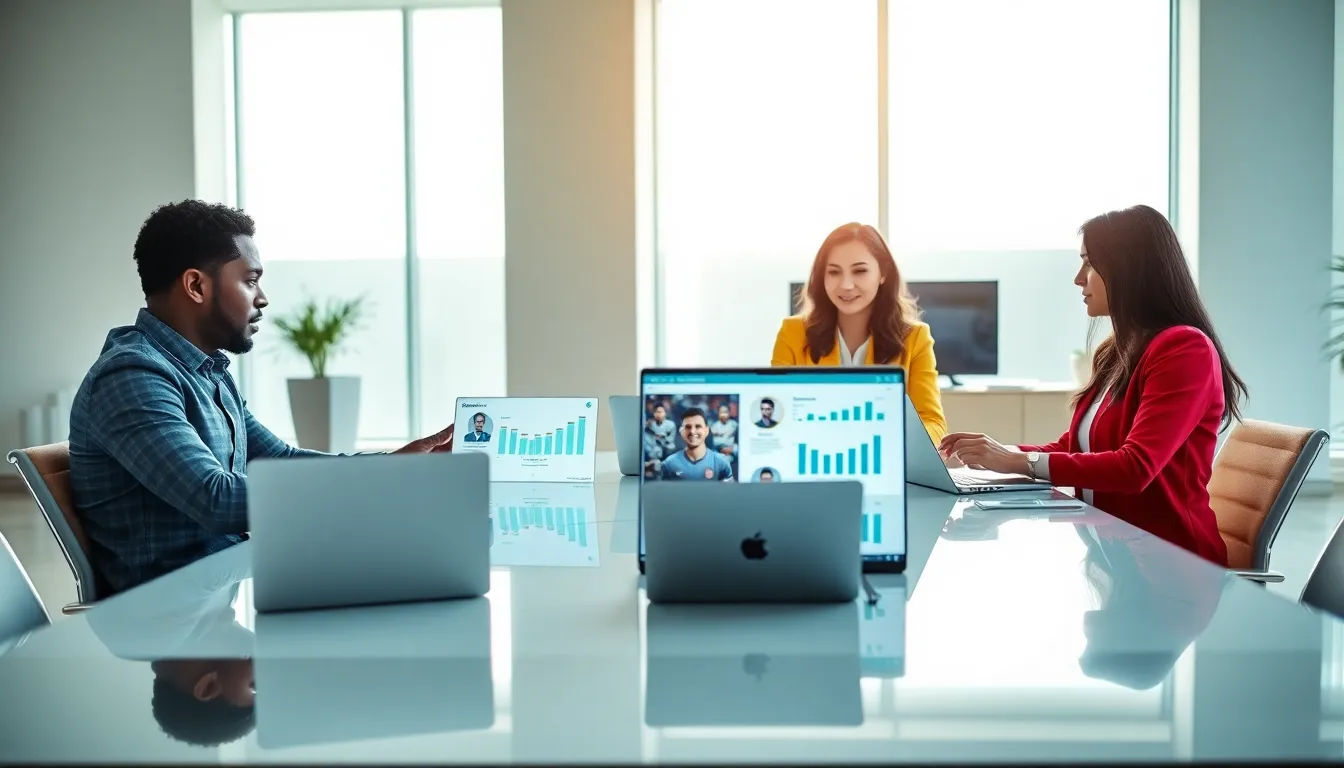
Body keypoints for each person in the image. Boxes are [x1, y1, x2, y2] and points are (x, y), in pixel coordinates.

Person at [68, 201, 458, 594]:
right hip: (175, 615)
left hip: (226, 588)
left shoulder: (206, 373)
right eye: (250, 280)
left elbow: (281, 460)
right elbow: (216, 500)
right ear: (196, 286)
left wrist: (392, 467)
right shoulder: (133, 376)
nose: (263, 298)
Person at [938, 205, 1246, 566]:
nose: (1078, 278)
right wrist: (992, 454)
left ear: (1128, 268)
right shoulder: (1116, 352)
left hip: (1171, 564)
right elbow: (1074, 447)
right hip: (1115, 553)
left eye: (1089, 263)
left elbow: (1135, 468)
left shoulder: (1184, 349)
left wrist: (1016, 460)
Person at [771, 222, 947, 443]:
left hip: (882, 457)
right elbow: (778, 412)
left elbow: (931, 420)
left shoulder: (915, 337)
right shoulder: (793, 332)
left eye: (860, 271)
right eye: (834, 272)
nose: (846, 285)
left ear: (883, 273)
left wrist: (893, 445)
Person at [660, 408, 734, 481]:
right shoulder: (669, 464)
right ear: (682, 431)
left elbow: (731, 491)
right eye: (688, 427)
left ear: (706, 431)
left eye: (698, 426)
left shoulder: (720, 462)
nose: (692, 431)